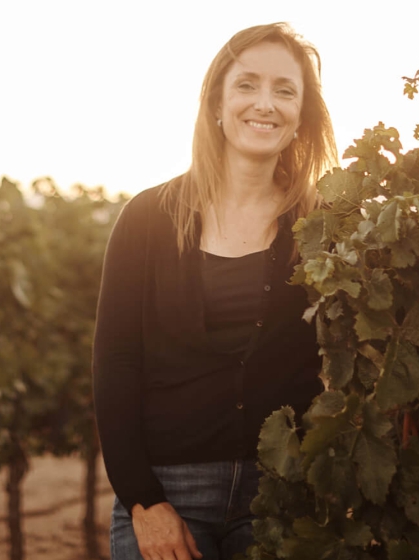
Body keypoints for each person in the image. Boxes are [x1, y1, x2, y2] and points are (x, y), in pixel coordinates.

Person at [92, 22, 337, 560]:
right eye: (247, 85)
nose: (265, 104)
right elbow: (116, 364)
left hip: (283, 490)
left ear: (302, 116)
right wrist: (142, 502)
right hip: (167, 494)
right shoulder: (147, 218)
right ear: (217, 104)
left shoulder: (325, 225)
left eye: (284, 90)